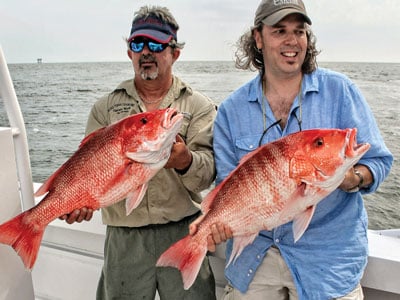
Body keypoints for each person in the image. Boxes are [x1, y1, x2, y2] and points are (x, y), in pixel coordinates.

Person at [197, 0, 393, 299]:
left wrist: (354, 177)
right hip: (255, 257)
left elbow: (379, 161)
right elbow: (228, 185)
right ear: (258, 39)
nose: (292, 41)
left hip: (326, 259)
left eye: (299, 31)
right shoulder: (231, 110)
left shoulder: (340, 91)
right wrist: (217, 225)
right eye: (279, 31)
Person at [59, 5, 217, 300]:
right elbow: (87, 170)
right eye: (138, 44)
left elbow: (205, 177)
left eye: (157, 44)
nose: (146, 52)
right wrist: (78, 202)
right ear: (129, 52)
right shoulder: (104, 108)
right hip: (124, 237)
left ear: (175, 53)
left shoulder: (198, 106)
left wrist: (185, 162)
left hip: (182, 231)